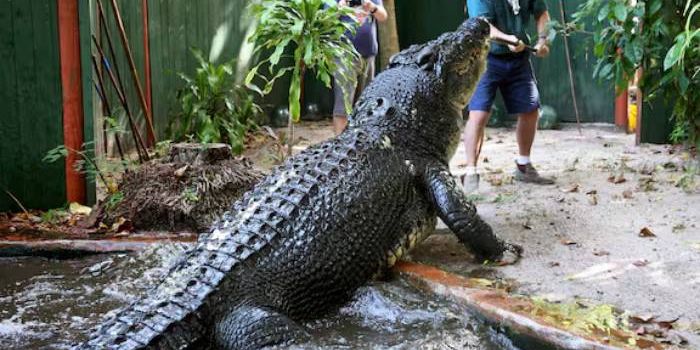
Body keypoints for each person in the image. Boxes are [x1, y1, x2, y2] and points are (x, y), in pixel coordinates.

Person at [462, 0, 554, 193]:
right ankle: (471, 171)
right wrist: (509, 40)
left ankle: (523, 166)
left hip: (518, 59)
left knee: (530, 110)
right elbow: (483, 25)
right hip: (485, 57)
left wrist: (542, 41)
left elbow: (542, 13)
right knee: (478, 114)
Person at [332, 0, 388, 135]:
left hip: (368, 55)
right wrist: (340, 8)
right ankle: (340, 147)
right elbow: (324, 21)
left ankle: (361, 144)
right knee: (343, 107)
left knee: (367, 104)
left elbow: (383, 16)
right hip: (344, 55)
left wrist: (372, 7)